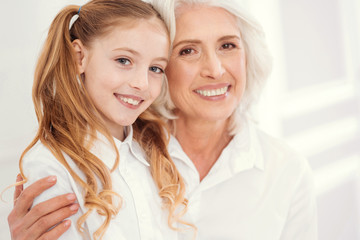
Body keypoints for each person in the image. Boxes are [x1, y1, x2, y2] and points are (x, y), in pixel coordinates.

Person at [8, 0, 318, 239]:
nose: (215, 69)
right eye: (188, 51)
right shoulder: (127, 145)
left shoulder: (286, 170)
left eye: (227, 45)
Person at [7, 0, 192, 239]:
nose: (142, 83)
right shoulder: (50, 166)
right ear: (79, 57)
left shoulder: (160, 149)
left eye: (155, 68)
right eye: (124, 61)